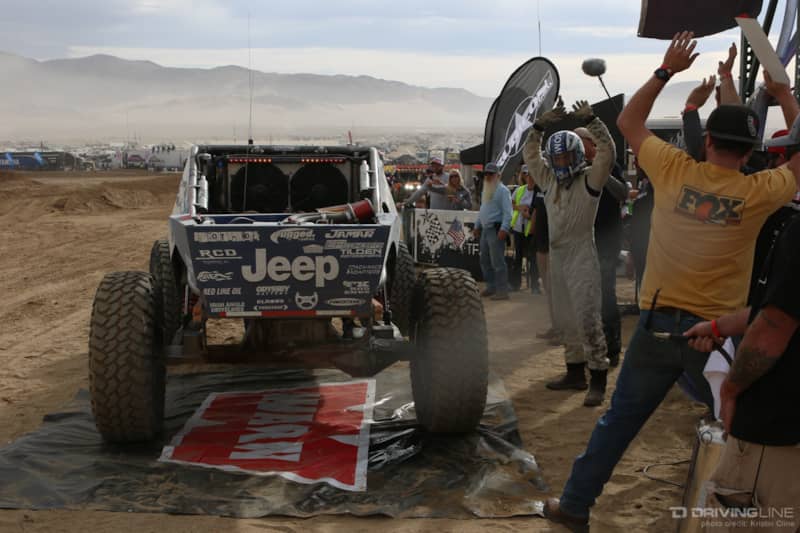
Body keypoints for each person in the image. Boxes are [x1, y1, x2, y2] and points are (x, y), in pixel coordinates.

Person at [544, 32, 800, 531]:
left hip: (658, 325)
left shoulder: (673, 169)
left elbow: (626, 123)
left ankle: (574, 504)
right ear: (750, 152)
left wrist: (666, 71)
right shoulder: (758, 191)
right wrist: (785, 95)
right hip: (718, 335)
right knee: (737, 423)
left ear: (707, 141)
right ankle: (740, 512)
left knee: (619, 422)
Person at [684, 210, 800, 528]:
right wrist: (719, 326)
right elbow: (778, 305)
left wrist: (731, 389)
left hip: (777, 432)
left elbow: (775, 325)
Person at [523, 100, 615, 407]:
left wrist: (592, 120)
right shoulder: (548, 181)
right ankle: (574, 372)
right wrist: (537, 127)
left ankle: (598, 377)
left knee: (587, 317)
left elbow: (607, 153)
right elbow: (530, 155)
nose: (561, 162)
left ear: (576, 156)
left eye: (565, 157)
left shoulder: (590, 180)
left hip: (581, 253)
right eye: (556, 157)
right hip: (558, 254)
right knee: (564, 319)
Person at [576, 127, 628, 367]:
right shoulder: (576, 168)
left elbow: (623, 193)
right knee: (587, 297)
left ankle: (613, 348)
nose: (577, 145)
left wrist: (603, 172)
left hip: (607, 240)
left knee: (606, 294)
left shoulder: (608, 163)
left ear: (590, 143)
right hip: (585, 240)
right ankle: (595, 348)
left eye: (580, 141)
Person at [473, 162, 513, 300]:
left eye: (491, 174)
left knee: (498, 262)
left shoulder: (503, 191)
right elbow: (482, 210)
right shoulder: (486, 189)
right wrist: (477, 225)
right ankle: (491, 287)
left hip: (495, 230)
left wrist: (504, 228)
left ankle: (502, 290)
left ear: (498, 175)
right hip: (485, 230)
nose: (488, 176)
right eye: (486, 174)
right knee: (484, 261)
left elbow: (508, 213)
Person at [510, 165, 540, 292]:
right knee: (518, 257)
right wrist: (521, 208)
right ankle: (516, 285)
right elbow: (512, 204)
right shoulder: (519, 190)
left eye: (533, 175)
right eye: (528, 175)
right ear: (525, 176)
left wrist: (530, 213)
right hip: (518, 229)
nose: (530, 178)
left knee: (533, 259)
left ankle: (535, 286)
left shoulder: (539, 192)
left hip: (532, 231)